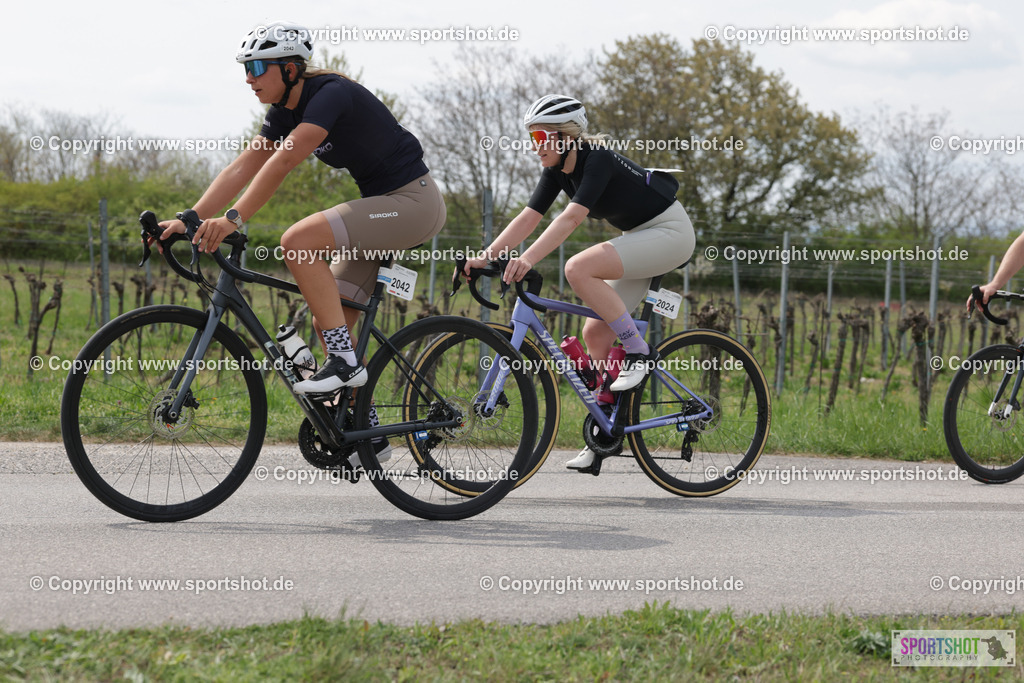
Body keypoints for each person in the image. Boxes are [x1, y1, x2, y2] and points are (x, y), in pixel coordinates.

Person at [158, 21, 446, 463]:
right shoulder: (282, 111)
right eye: (246, 68)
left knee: (298, 241)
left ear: (290, 68)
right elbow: (245, 165)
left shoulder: (329, 94)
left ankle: (346, 366)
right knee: (326, 320)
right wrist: (191, 217)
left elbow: (286, 158)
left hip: (411, 203)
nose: (248, 77)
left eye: (256, 66)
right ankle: (365, 434)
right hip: (383, 205)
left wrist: (234, 218)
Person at [464, 94, 695, 470]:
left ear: (565, 136)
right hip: (641, 237)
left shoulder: (596, 159)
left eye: (540, 138)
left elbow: (569, 220)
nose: (534, 147)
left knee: (578, 268)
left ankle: (639, 354)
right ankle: (607, 433)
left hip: (670, 233)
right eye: (532, 139)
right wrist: (486, 257)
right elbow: (528, 218)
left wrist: (528, 259)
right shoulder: (557, 170)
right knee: (596, 335)